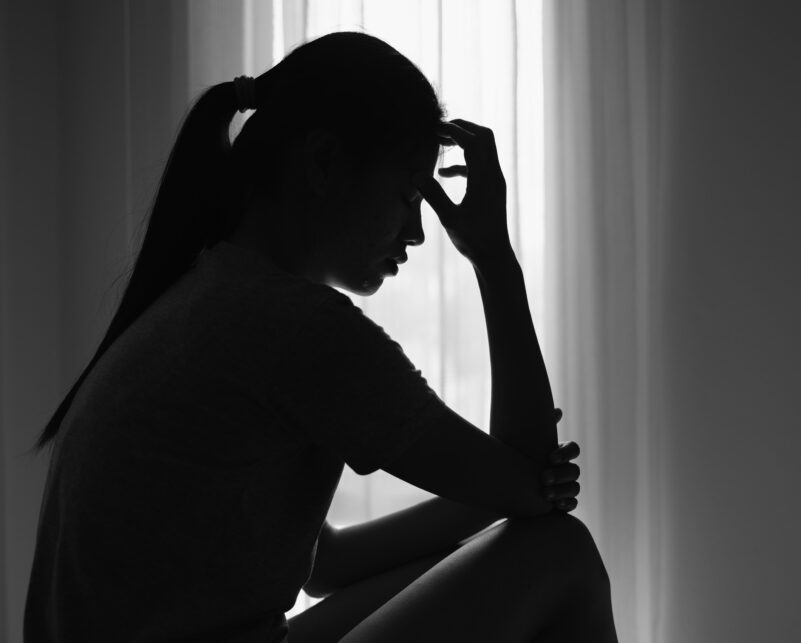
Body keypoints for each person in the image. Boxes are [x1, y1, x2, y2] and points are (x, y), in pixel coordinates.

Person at [24, 31, 617, 642]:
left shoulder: (213, 294)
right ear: (323, 163)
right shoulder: (292, 325)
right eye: (410, 193)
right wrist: (494, 257)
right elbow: (528, 490)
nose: (417, 232)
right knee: (558, 552)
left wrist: (512, 490)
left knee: (524, 542)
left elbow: (325, 565)